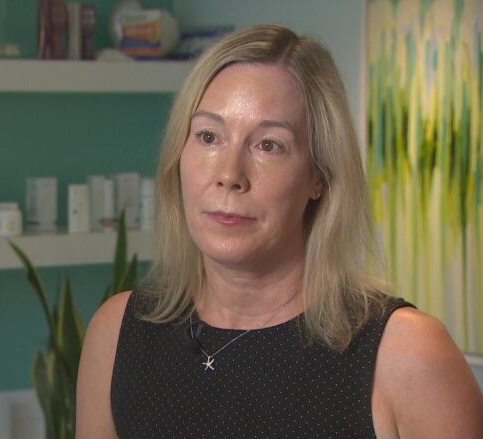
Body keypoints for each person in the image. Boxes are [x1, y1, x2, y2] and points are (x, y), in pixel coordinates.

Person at [76, 24, 483, 438]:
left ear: (319, 177)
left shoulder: (406, 354)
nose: (229, 174)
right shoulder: (117, 333)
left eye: (268, 145)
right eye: (209, 136)